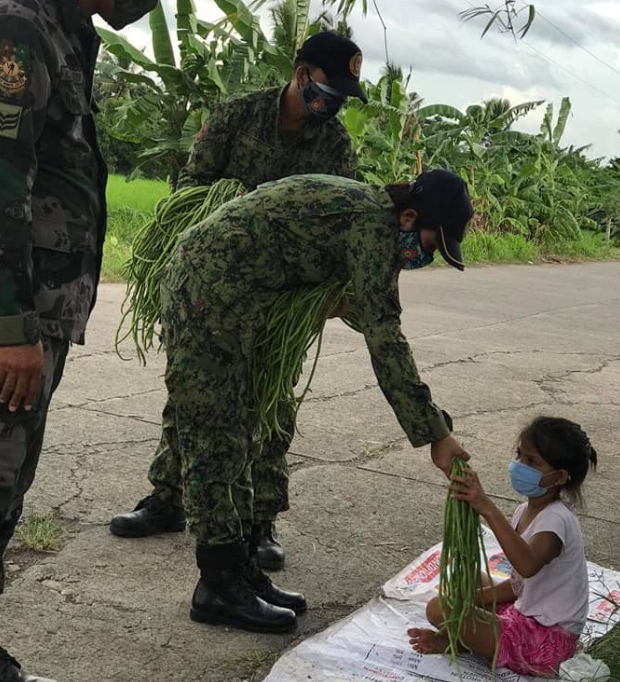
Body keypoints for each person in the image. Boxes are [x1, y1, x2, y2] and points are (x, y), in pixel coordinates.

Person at [0, 0, 204, 682]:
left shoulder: (67, 34)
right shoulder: (17, 25)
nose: (149, 0)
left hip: (35, 321)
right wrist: (10, 328)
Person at [154, 169, 473, 635]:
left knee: (245, 430)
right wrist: (435, 434)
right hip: (209, 291)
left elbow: (366, 312)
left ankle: (240, 568)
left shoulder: (369, 214)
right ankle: (217, 584)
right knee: (215, 437)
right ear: (407, 216)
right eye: (428, 244)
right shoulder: (373, 228)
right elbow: (386, 339)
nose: (423, 256)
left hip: (240, 295)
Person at [109, 30, 368, 572]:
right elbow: (194, 183)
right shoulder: (239, 114)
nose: (334, 104)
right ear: (302, 75)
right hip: (215, 283)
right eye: (331, 90)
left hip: (283, 295)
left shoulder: (335, 144)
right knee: (195, 392)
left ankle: (260, 517)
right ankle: (169, 497)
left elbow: (345, 219)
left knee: (270, 399)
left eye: (344, 96)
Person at [408, 416, 595, 677]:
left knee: (439, 608)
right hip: (523, 614)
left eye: (532, 462)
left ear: (559, 477)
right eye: (519, 455)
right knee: (465, 577)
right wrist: (470, 598)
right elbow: (520, 586)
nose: (519, 465)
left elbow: (527, 566)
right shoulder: (525, 510)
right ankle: (460, 641)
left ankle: (459, 641)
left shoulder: (557, 520)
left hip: (546, 641)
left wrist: (487, 507)